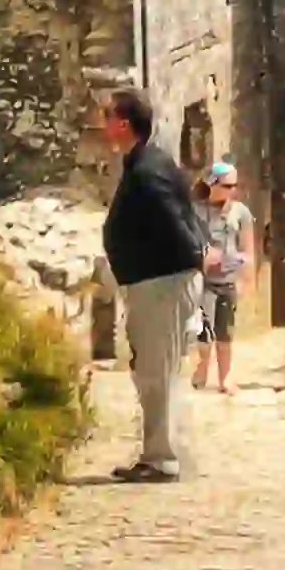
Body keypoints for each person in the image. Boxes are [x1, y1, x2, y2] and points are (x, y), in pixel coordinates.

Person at [95, 87, 199, 478]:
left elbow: (173, 216)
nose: (102, 125)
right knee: (151, 371)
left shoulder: (148, 170)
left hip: (162, 284)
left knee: (159, 371)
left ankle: (163, 458)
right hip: (152, 284)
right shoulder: (147, 163)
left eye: (107, 117)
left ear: (123, 123)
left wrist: (196, 253)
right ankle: (156, 453)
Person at [190, 159, 250, 394]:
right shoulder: (196, 211)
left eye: (234, 186)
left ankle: (225, 378)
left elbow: (247, 250)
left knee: (226, 332)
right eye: (227, 185)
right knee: (204, 330)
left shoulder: (241, 213)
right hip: (202, 279)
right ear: (212, 184)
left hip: (228, 280)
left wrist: (245, 279)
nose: (231, 190)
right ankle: (202, 367)